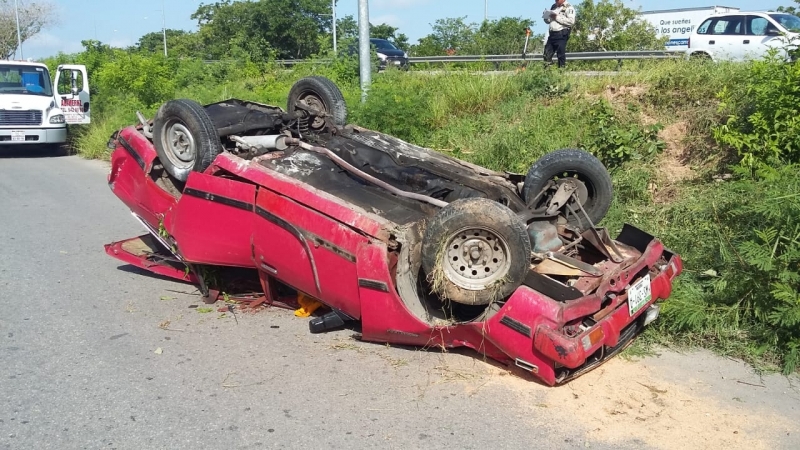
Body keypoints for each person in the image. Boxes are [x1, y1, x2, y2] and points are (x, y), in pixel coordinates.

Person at [543, 0, 576, 68]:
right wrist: (545, 16)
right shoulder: (554, 7)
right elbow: (549, 21)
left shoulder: (569, 8)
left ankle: (561, 71)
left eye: (557, 0)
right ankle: (547, 72)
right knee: (546, 54)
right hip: (552, 34)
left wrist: (556, 17)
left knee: (560, 54)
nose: (556, 1)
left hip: (561, 34)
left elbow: (571, 21)